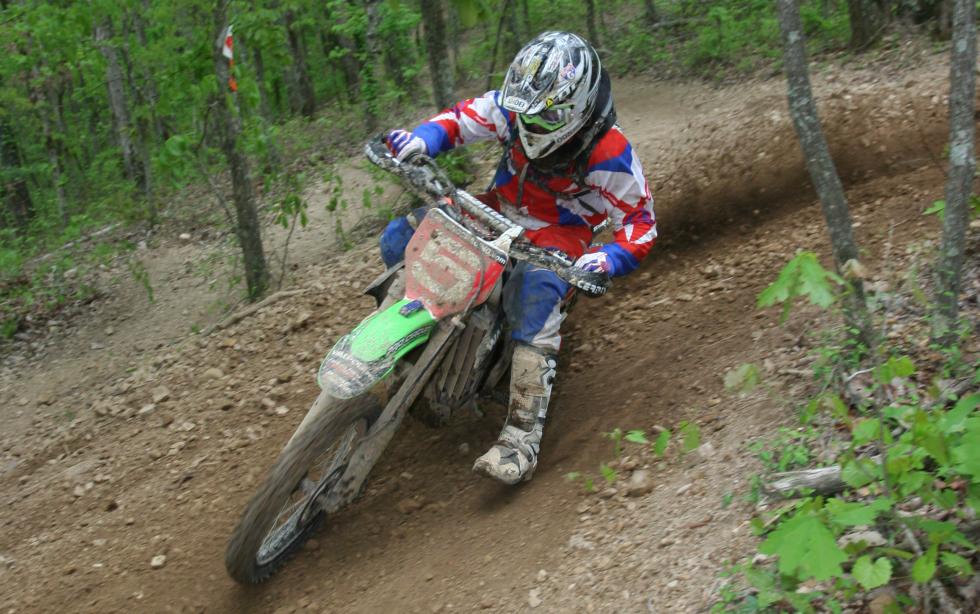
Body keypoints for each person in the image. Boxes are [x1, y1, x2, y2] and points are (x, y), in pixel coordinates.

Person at [382, 31, 656, 485]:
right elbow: (461, 120)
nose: (529, 124)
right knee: (401, 237)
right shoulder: (514, 109)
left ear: (575, 110)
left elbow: (641, 222)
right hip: (494, 208)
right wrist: (421, 140)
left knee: (536, 290)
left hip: (558, 235)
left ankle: (521, 436)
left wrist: (607, 258)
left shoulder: (609, 152)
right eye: (524, 111)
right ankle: (411, 339)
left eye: (544, 117)